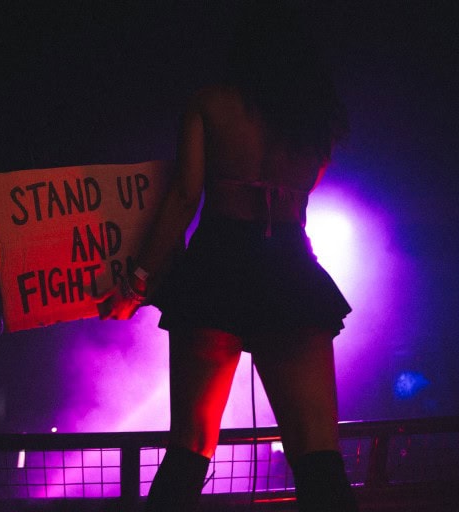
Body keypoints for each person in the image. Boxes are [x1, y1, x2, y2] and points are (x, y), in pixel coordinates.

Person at [98, 2, 357, 511]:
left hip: (216, 268)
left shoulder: (209, 104)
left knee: (190, 445)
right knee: (317, 452)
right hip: (288, 268)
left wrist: (136, 285)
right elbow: (303, 197)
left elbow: (183, 198)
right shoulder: (315, 120)